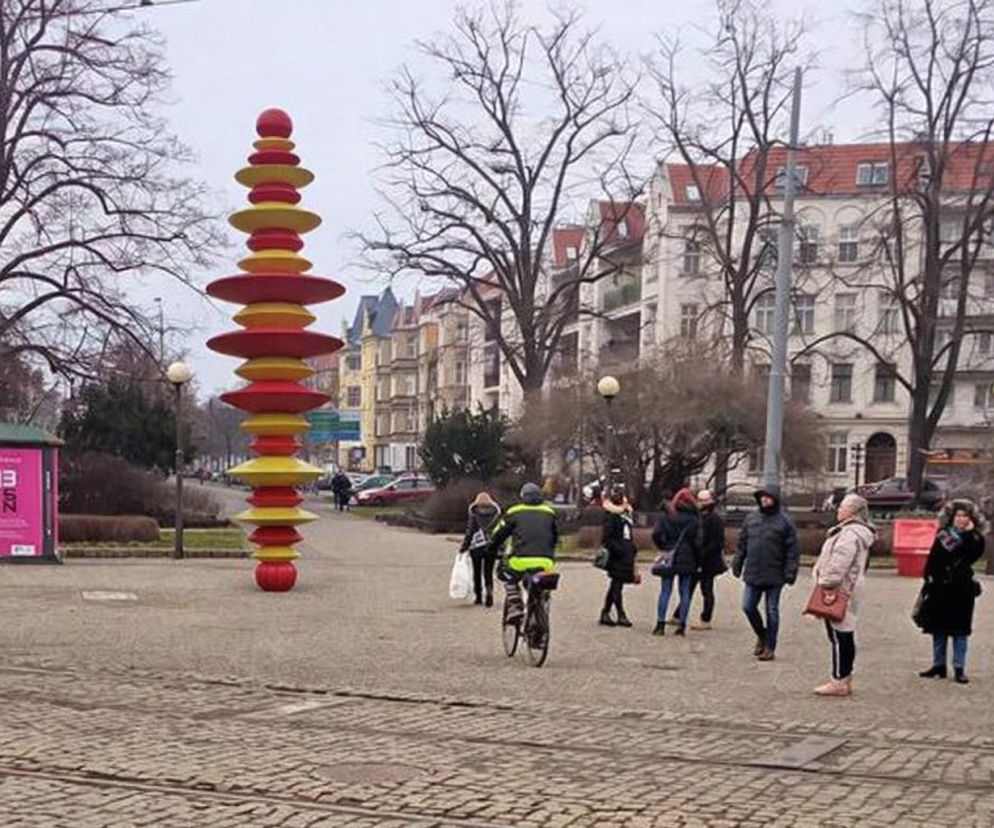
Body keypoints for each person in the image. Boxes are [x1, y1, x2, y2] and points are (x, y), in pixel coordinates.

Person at [810, 493, 875, 697]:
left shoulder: (849, 534)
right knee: (843, 633)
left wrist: (825, 583)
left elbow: (839, 561)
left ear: (853, 512)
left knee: (840, 635)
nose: (838, 510)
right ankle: (844, 677)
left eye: (843, 507)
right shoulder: (855, 532)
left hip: (840, 589)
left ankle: (839, 679)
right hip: (849, 588)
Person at [916, 498, 986, 684]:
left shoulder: (976, 537)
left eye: (965, 515)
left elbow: (973, 554)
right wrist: (928, 576)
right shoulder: (943, 533)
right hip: (940, 586)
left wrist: (969, 534)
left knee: (960, 630)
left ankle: (959, 667)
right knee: (938, 628)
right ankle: (938, 665)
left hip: (962, 587)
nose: (961, 519)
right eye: (958, 515)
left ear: (971, 518)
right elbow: (934, 556)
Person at [732, 486, 799, 661]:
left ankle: (770, 646)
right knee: (747, 606)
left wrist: (790, 572)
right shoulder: (751, 518)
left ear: (775, 499)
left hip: (775, 574)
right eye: (762, 498)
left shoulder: (785, 521)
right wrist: (738, 562)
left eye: (768, 498)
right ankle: (761, 634)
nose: (764, 500)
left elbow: (792, 550)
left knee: (772, 611)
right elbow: (742, 543)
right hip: (753, 571)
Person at [487, 482, 559, 622]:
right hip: (546, 562)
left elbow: (497, 535)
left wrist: (491, 549)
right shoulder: (549, 512)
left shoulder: (514, 512)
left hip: (520, 560)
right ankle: (540, 610)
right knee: (539, 584)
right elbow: (555, 537)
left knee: (505, 572)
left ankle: (515, 603)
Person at [651, 488, 700, 636]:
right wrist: (697, 560)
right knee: (684, 591)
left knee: (665, 590)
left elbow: (656, 534)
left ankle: (660, 624)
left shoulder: (667, 517)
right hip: (687, 555)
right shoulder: (694, 519)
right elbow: (698, 542)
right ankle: (682, 625)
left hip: (669, 554)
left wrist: (663, 547)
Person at [599, 484, 637, 627]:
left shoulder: (626, 514)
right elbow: (607, 538)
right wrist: (620, 549)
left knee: (616, 584)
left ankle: (606, 612)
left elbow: (629, 534)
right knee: (617, 584)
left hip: (626, 553)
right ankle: (620, 614)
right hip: (618, 554)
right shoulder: (611, 515)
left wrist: (632, 549)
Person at [689, 489, 727, 630]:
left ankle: (706, 619)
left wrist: (702, 554)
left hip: (708, 561)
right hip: (699, 559)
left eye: (703, 500)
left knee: (706, 590)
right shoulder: (700, 517)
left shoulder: (714, 519)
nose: (700, 503)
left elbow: (717, 542)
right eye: (699, 500)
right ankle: (678, 615)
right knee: (689, 587)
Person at [459, 491, 502, 607]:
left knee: (476, 572)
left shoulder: (474, 513)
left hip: (476, 547)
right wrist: (500, 547)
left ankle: (478, 596)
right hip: (491, 546)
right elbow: (499, 531)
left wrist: (464, 547)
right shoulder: (496, 514)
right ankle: (489, 592)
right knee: (488, 572)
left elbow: (470, 531)